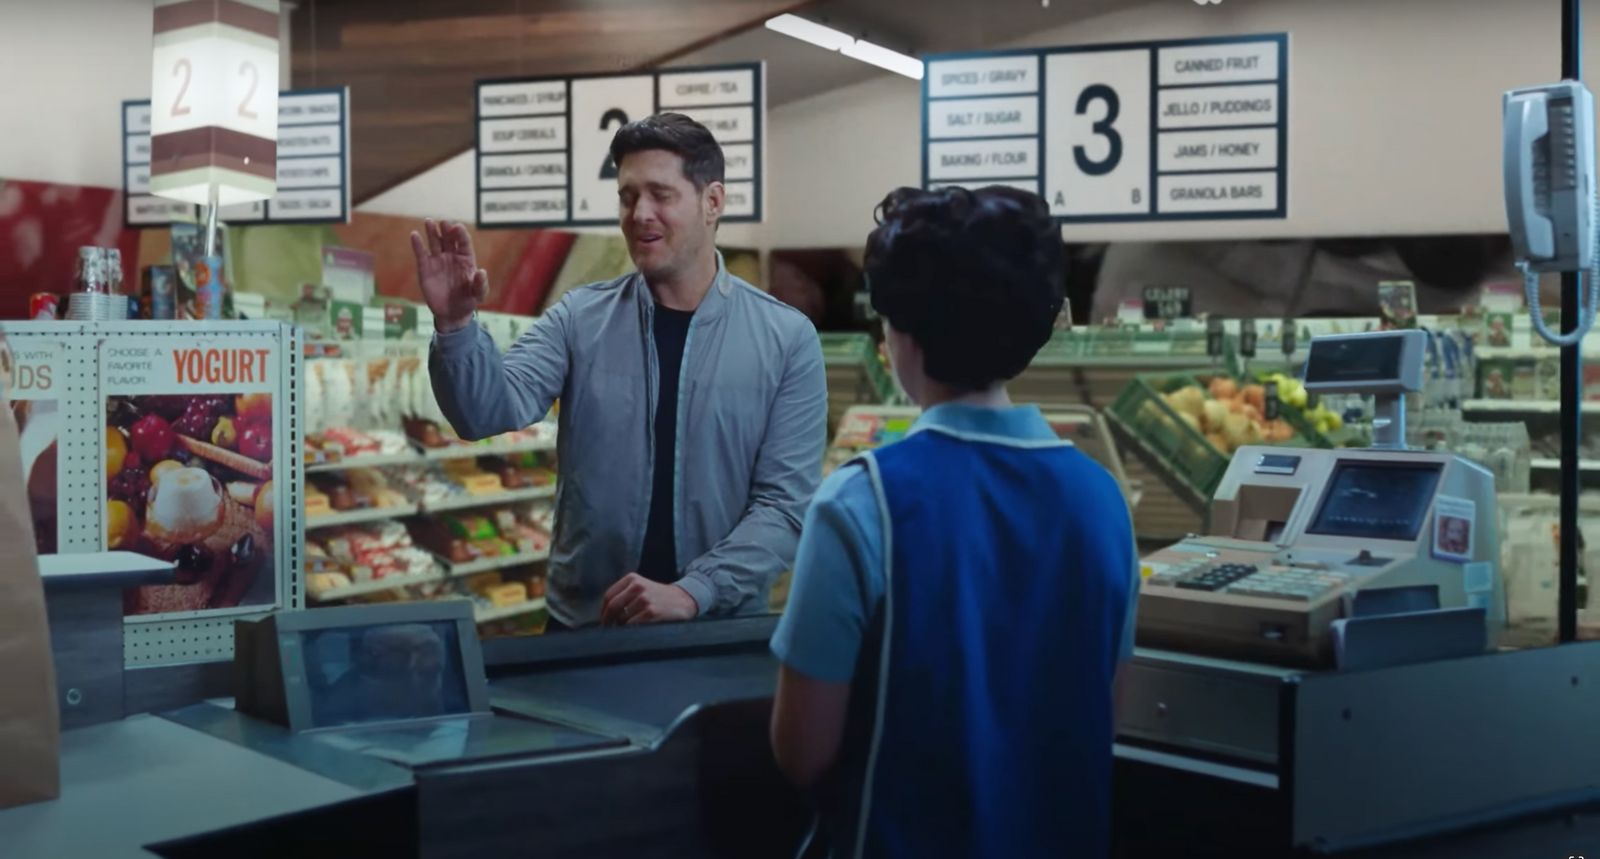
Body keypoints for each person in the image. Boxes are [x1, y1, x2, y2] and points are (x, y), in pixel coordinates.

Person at [769, 186, 1139, 858]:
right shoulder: (1102, 498)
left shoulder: (859, 503)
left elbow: (804, 750)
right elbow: (1103, 716)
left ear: (901, 333)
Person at [415, 113, 828, 630]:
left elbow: (785, 506)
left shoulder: (786, 339)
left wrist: (695, 591)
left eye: (661, 194)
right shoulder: (579, 318)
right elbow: (485, 411)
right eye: (628, 196)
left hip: (715, 632)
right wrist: (455, 325)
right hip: (584, 629)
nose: (640, 214)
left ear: (713, 202)